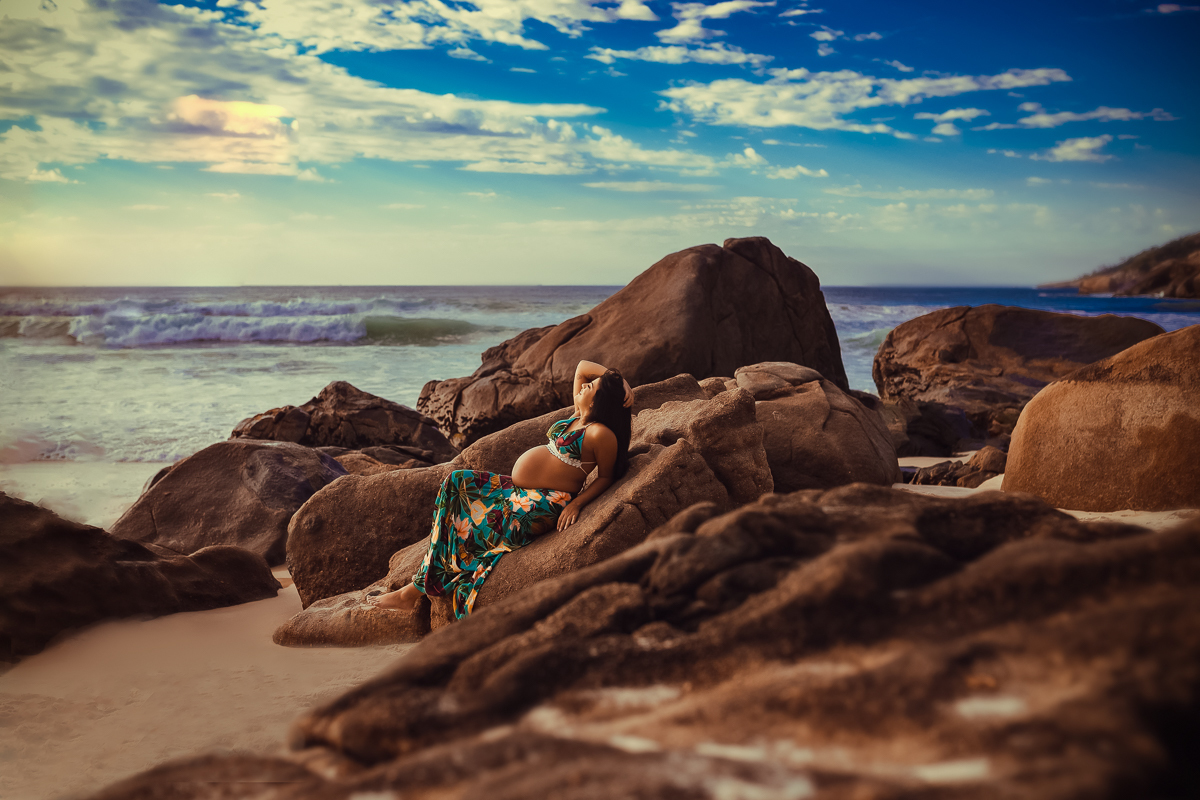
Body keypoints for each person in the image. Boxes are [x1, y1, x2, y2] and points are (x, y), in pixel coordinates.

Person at [367, 360, 633, 618]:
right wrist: (624, 385)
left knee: (472, 529)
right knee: (456, 481)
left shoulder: (599, 434)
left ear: (601, 401)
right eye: (589, 384)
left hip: (542, 503)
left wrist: (577, 503)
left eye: (593, 387)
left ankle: (411, 593)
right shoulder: (578, 415)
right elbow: (582, 367)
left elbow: (606, 477)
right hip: (519, 492)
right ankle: (417, 587)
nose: (585, 386)